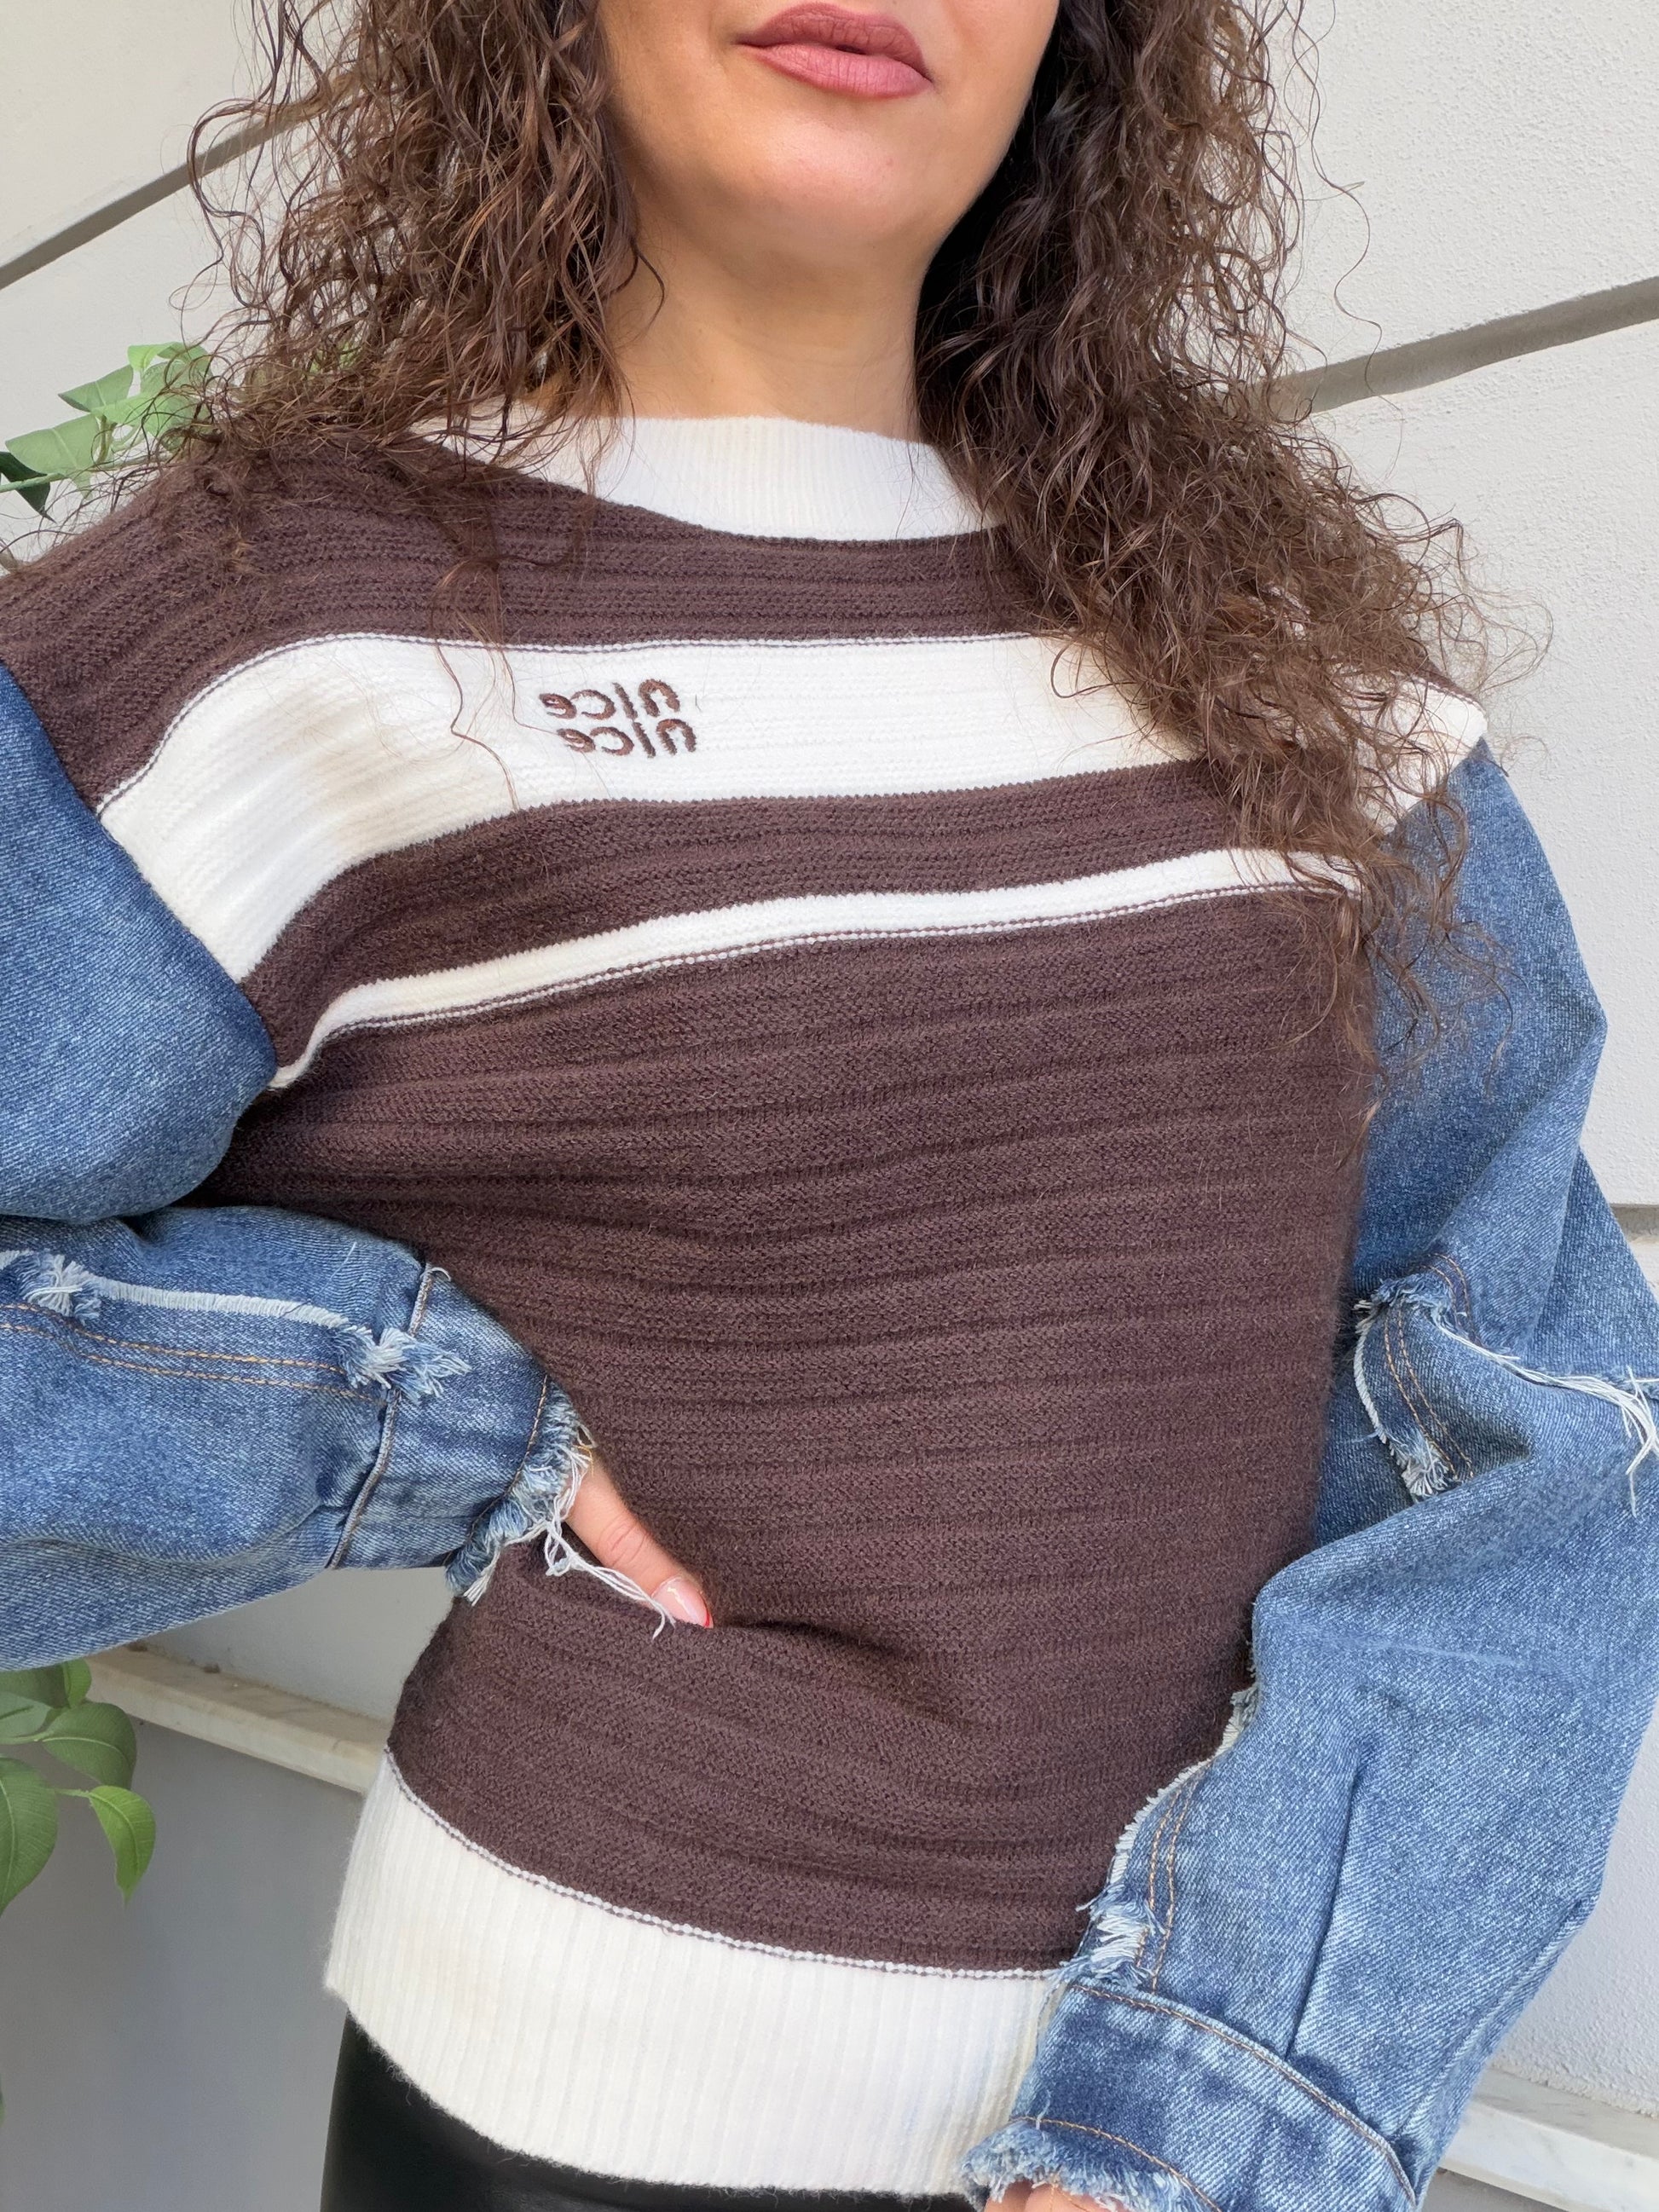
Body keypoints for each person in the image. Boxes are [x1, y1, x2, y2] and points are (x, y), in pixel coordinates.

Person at [2, 0, 1656, 2208]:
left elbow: (1539, 1428)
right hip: (570, 2110)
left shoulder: (1299, 673)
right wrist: (407, 1419)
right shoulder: (276, 638)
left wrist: (1219, 2120)